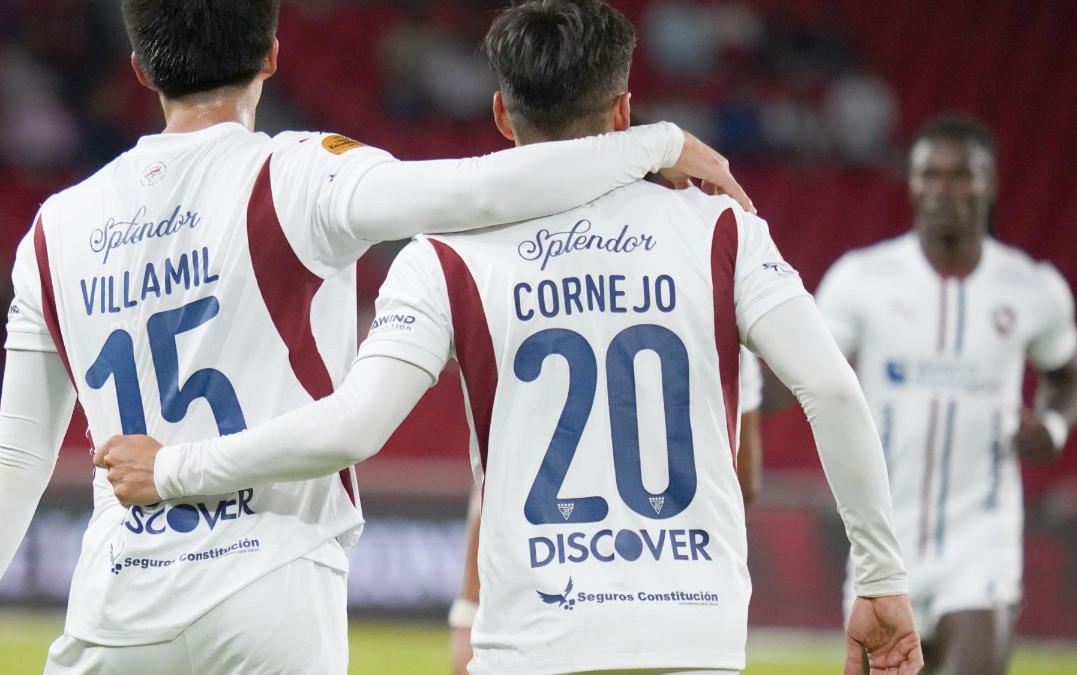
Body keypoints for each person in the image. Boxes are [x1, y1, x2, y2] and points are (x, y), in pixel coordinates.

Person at [0, 1, 756, 673]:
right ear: (273, 55)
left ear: (139, 66)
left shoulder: (54, 228)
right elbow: (483, 193)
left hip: (120, 604)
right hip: (273, 579)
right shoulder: (302, 172)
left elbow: (17, 453)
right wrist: (657, 141)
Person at [98, 2, 922, 673]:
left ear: (501, 114)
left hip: (531, 639)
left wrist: (176, 467)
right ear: (624, 109)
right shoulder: (722, 228)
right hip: (692, 634)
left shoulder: (444, 257)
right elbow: (833, 390)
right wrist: (880, 578)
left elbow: (352, 427)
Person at [814, 113, 1077, 674]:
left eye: (961, 175)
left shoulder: (1032, 289)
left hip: (981, 542)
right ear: (911, 183)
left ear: (990, 184)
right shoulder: (861, 281)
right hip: (883, 544)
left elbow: (1065, 373)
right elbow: (804, 372)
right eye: (929, 174)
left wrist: (1054, 427)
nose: (943, 190)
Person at [447, 351, 765, 674]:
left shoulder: (525, 328)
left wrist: (469, 606)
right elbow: (745, 481)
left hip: (554, 595)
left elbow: (504, 476)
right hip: (683, 601)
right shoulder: (724, 333)